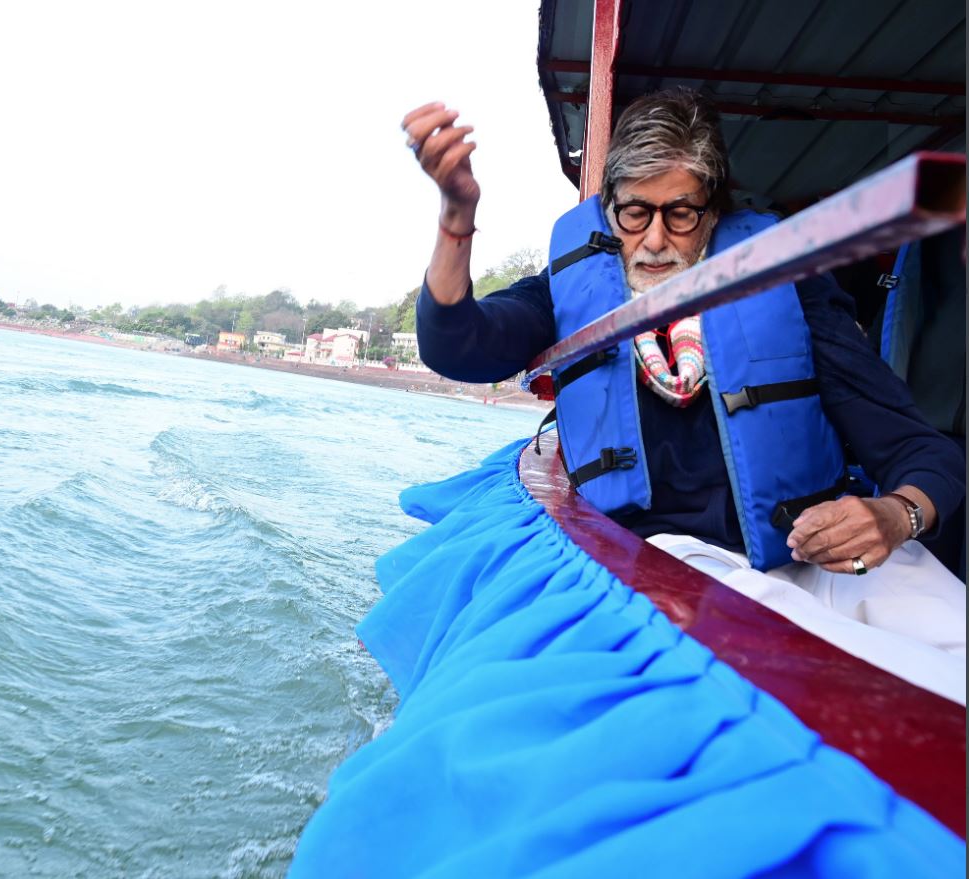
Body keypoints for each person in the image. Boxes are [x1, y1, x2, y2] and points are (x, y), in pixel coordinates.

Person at [400, 88, 966, 687]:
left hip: (815, 557)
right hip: (673, 564)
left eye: (680, 213)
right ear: (609, 210)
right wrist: (457, 214)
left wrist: (895, 513)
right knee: (861, 678)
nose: (654, 239)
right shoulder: (567, 293)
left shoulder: (791, 292)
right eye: (634, 212)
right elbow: (455, 344)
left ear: (713, 214)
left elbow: (926, 455)